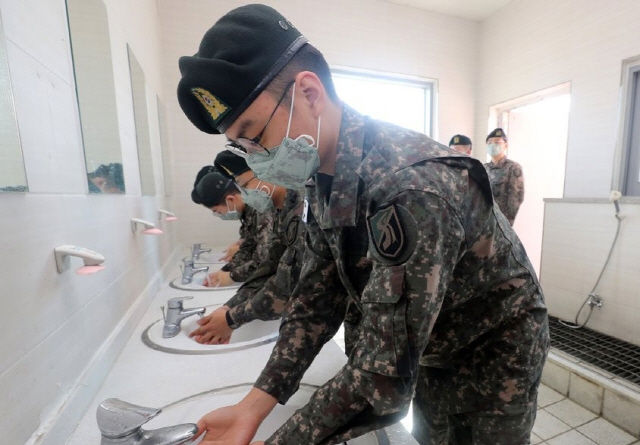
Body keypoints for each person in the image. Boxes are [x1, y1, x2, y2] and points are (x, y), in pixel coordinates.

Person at [177, 5, 549, 445]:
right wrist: (253, 406)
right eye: (241, 145)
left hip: (491, 349)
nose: (256, 156)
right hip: (434, 343)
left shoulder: (409, 188)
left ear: (310, 93)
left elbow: (384, 375)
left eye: (254, 135)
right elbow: (316, 297)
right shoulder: (321, 174)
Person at [190, 151, 306, 345]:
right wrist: (229, 308)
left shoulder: (294, 207)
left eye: (242, 186)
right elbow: (268, 265)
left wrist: (232, 316)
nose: (241, 193)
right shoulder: (277, 209)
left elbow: (286, 280)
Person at [191, 166, 275, 286]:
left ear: (230, 200)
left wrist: (231, 276)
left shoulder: (261, 209)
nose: (219, 215)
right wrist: (225, 271)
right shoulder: (249, 211)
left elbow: (265, 260)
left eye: (218, 211)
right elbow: (248, 248)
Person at [484, 128, 525, 225]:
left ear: (505, 145)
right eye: (489, 143)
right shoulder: (484, 168)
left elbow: (516, 197)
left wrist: (507, 222)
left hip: (502, 221)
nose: (493, 145)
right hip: (484, 220)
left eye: (497, 142)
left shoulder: (513, 167)